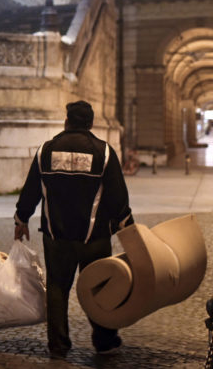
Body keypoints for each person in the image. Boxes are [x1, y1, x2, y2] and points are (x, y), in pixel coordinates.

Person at [13, 100, 134, 359]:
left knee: (57, 287)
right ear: (90, 123)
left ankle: (58, 345)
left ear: (66, 122)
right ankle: (104, 340)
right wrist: (128, 228)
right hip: (95, 237)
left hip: (56, 236)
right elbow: (118, 198)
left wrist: (21, 219)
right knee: (99, 287)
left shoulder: (46, 151)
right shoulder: (104, 152)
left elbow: (32, 190)